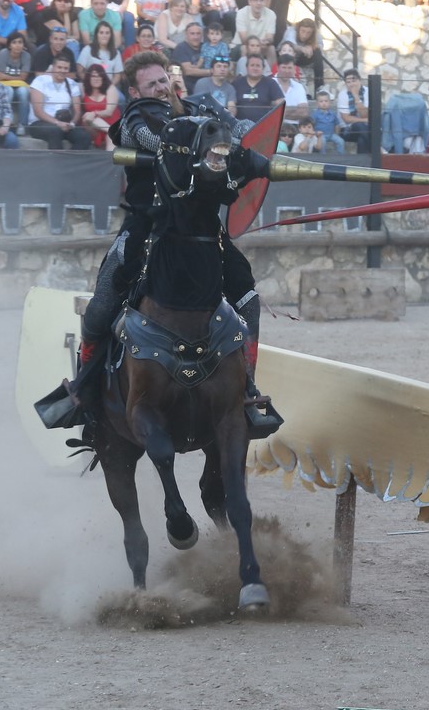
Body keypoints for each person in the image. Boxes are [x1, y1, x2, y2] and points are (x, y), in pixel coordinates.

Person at [73, 48, 278, 436]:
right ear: (135, 91)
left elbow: (240, 136)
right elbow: (160, 142)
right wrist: (201, 132)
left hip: (202, 232)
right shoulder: (137, 117)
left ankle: (246, 389)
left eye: (163, 80)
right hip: (148, 229)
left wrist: (241, 149)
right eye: (151, 84)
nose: (161, 88)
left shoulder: (203, 106)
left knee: (248, 299)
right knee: (101, 305)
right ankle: (83, 394)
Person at [26, 55, 89, 150]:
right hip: (39, 123)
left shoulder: (72, 84)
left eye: (65, 68)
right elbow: (38, 112)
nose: (62, 71)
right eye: (59, 67)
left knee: (84, 137)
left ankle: (72, 162)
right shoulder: (40, 81)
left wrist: (71, 124)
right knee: (55, 131)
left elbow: (77, 111)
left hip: (65, 123)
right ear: (53, 67)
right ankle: (57, 163)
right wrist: (57, 123)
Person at [229, 52, 282, 123]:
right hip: (240, 126)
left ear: (263, 68)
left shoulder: (271, 83)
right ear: (246, 67)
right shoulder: (236, 83)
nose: (255, 68)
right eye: (252, 65)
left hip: (263, 126)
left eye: (258, 65)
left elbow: (281, 103)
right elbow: (231, 106)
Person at [78, 62, 117, 149]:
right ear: (89, 78)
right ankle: (111, 131)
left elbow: (109, 111)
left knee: (110, 137)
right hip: (93, 126)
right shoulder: (83, 89)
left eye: (99, 76)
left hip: (109, 121)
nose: (96, 79)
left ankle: (109, 160)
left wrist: (95, 113)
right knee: (87, 117)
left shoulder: (110, 88)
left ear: (103, 77)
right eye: (93, 76)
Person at [233, 0, 275, 66]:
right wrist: (257, 43)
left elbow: (270, 38)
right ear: (250, 2)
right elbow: (244, 39)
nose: (258, 3)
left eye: (261, 0)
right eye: (255, 0)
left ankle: (272, 75)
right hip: (242, 45)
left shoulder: (271, 14)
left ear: (265, 2)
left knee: (271, 48)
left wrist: (266, 42)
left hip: (262, 46)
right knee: (245, 48)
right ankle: (246, 75)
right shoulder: (241, 13)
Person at [76, 19, 121, 87]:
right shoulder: (87, 49)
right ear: (96, 35)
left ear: (111, 35)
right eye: (101, 32)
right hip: (90, 87)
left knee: (121, 98)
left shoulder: (116, 52)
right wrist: (90, 83)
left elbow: (118, 75)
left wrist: (110, 86)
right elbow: (80, 71)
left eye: (107, 33)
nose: (104, 35)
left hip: (108, 87)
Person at [169, 19, 205, 94]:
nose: (196, 37)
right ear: (186, 34)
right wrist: (211, 71)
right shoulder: (181, 48)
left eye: (198, 34)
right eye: (192, 34)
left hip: (206, 84)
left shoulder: (206, 47)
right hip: (187, 87)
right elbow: (188, 71)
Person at [337, 67, 368, 153]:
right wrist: (364, 120)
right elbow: (347, 119)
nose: (351, 84)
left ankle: (364, 165)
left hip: (366, 129)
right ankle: (379, 148)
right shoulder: (343, 95)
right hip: (347, 130)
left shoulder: (367, 92)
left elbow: (365, 114)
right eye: (348, 82)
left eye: (353, 81)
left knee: (362, 140)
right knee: (359, 125)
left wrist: (356, 97)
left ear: (360, 80)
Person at [289, 16, 323, 94]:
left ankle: (319, 87)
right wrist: (302, 48)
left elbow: (320, 46)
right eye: (303, 31)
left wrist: (311, 46)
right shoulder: (292, 30)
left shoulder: (315, 34)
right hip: (291, 57)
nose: (305, 35)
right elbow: (290, 43)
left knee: (317, 51)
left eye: (308, 33)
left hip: (303, 58)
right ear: (298, 29)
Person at [272, 53, 308, 121]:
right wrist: (294, 110)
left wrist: (282, 112)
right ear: (277, 68)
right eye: (284, 67)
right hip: (274, 127)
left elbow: (304, 113)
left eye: (289, 68)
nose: (287, 71)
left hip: (295, 128)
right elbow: (270, 111)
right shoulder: (269, 84)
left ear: (294, 69)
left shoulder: (299, 87)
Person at [309, 88, 344, 152]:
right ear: (317, 103)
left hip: (331, 134)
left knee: (341, 141)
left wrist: (336, 133)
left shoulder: (333, 113)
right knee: (323, 142)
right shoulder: (315, 114)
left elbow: (337, 124)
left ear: (330, 102)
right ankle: (323, 157)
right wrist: (315, 134)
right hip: (320, 135)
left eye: (326, 101)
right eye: (321, 101)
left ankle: (341, 157)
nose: (324, 103)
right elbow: (311, 125)